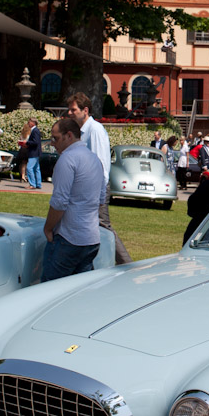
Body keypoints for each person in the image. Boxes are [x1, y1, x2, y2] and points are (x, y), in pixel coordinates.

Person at [67, 92, 131, 264]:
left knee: (104, 227)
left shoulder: (94, 130)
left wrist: (100, 194)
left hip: (96, 189)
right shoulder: (83, 131)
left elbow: (101, 164)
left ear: (85, 110)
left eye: (73, 110)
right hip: (88, 189)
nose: (69, 113)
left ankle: (127, 265)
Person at [41, 118, 105, 281]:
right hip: (91, 238)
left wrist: (48, 229)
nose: (53, 144)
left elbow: (59, 202)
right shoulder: (95, 160)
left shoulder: (67, 159)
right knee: (80, 294)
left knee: (49, 292)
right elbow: (101, 199)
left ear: (69, 135)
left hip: (69, 239)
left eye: (55, 138)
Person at [25, 118, 42, 189]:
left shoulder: (35, 131)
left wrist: (27, 142)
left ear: (33, 123)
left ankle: (32, 184)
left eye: (29, 122)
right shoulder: (35, 131)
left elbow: (36, 142)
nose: (28, 123)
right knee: (36, 168)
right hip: (36, 152)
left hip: (34, 152)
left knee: (29, 168)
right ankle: (38, 184)